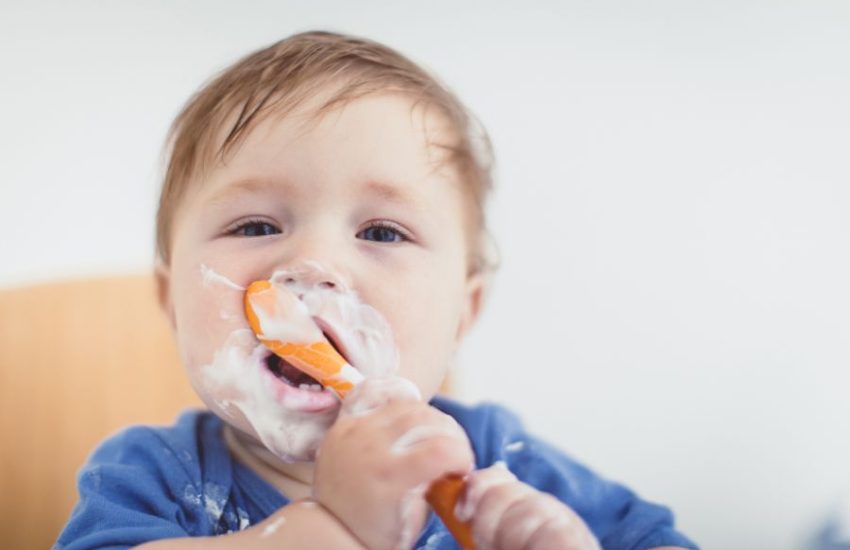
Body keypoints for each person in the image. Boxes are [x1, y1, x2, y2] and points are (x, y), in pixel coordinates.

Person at [56, 31, 697, 550]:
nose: (312, 265)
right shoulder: (153, 477)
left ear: (462, 315)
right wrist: (332, 528)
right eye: (255, 225)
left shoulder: (498, 460)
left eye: (383, 232)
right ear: (170, 299)